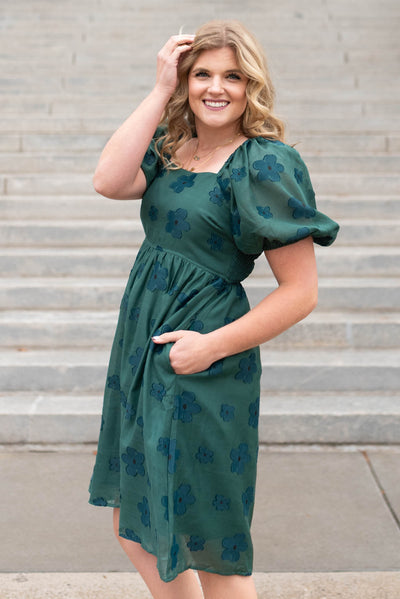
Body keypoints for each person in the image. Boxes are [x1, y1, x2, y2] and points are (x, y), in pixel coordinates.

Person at [88, 20, 339, 599]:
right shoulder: (174, 150)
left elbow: (301, 292)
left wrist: (211, 346)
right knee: (143, 530)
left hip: (204, 357)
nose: (215, 87)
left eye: (232, 75)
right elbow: (107, 180)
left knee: (209, 541)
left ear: (252, 84)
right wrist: (157, 92)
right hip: (142, 350)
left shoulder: (266, 162)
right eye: (202, 73)